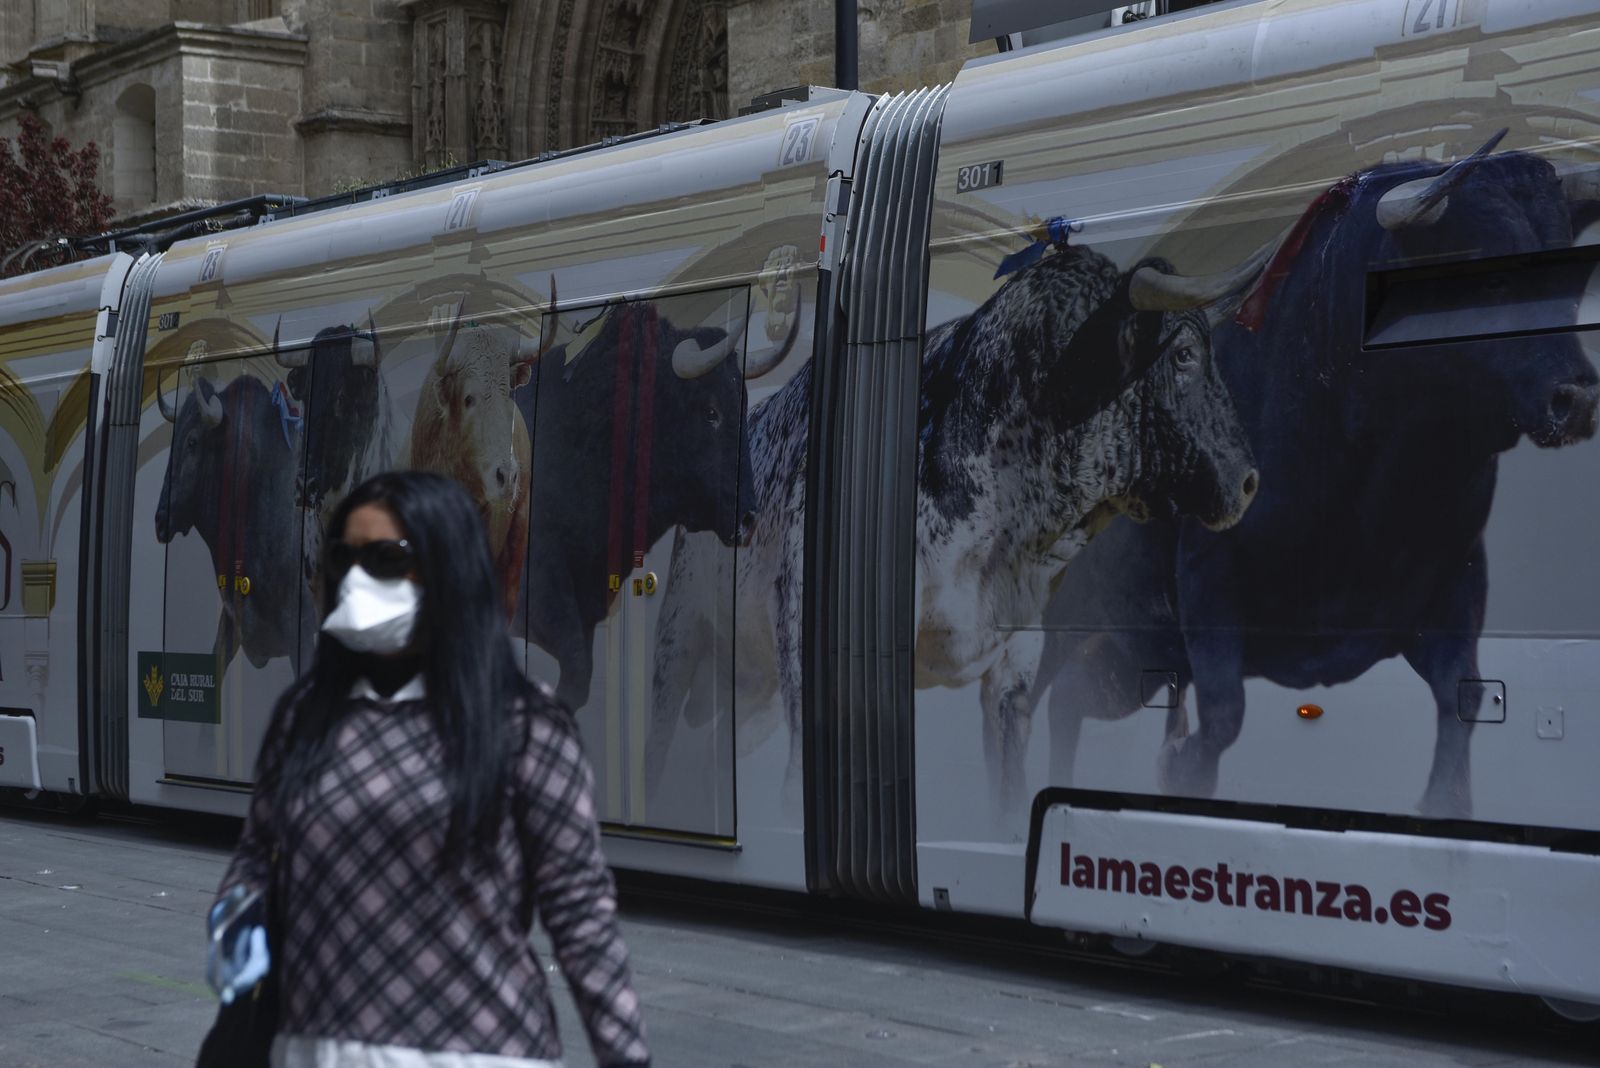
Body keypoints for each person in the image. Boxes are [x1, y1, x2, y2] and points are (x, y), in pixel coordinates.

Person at [205, 470, 650, 1068]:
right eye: (345, 558)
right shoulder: (306, 715)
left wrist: (625, 1056)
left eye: (387, 558)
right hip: (318, 1049)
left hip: (481, 1052)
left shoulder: (525, 726)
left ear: (450, 570)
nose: (359, 579)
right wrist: (236, 925)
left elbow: (580, 914)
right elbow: (257, 854)